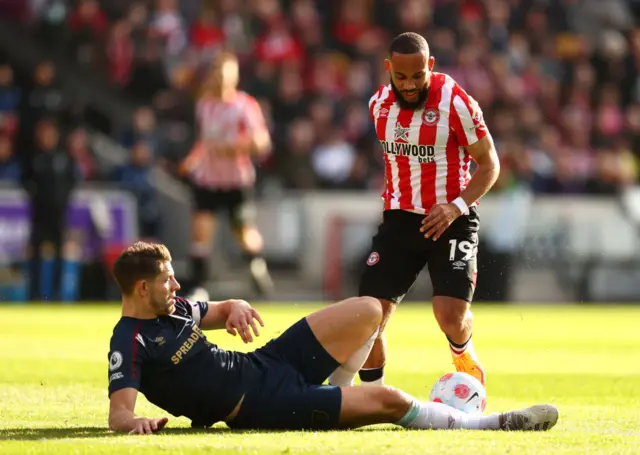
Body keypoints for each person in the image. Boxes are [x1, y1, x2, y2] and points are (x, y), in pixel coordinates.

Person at [107, 241, 559, 434]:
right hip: (259, 406)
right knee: (391, 401)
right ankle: (486, 425)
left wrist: (237, 307)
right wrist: (135, 424)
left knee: (370, 309)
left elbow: (221, 310)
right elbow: (119, 413)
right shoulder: (129, 340)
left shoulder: (173, 309)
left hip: (263, 366)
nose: (177, 286)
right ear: (143, 289)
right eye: (168, 280)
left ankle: (337, 396)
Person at [330, 32, 500, 389]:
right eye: (401, 77)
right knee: (370, 317)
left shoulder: (456, 102)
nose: (409, 85)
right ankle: (372, 398)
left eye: (418, 76)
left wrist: (455, 207)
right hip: (399, 220)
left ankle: (463, 353)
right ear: (389, 69)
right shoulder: (378, 105)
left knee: (450, 316)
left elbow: (489, 165)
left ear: (431, 66)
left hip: (452, 218)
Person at [179, 51, 273, 300]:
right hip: (208, 179)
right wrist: (193, 159)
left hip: (236, 180)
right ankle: (198, 286)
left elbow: (261, 142)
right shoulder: (204, 105)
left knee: (243, 232)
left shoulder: (245, 105)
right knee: (201, 232)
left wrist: (232, 147)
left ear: (235, 76)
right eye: (217, 73)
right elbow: (204, 141)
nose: (221, 79)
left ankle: (256, 263)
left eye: (226, 73)